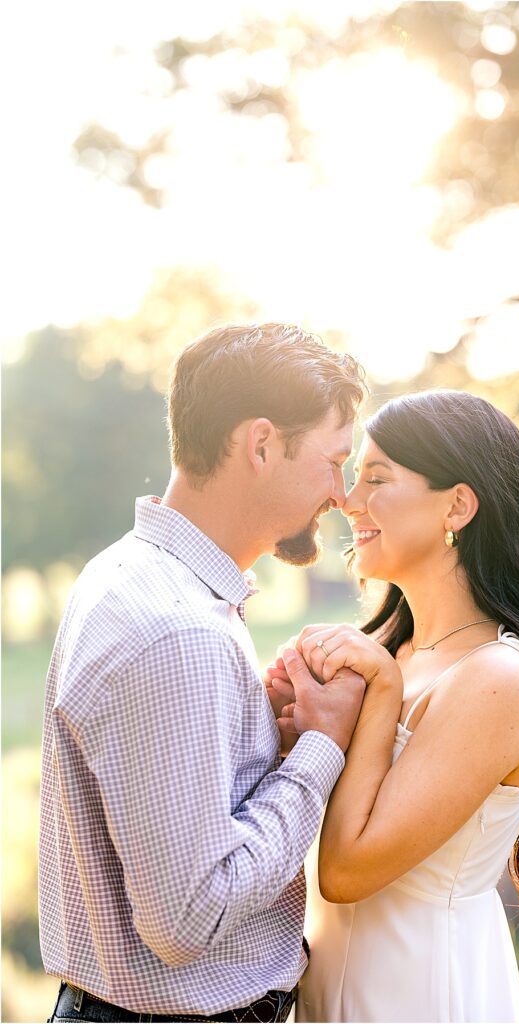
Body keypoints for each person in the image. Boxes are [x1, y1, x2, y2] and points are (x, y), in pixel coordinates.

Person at [39, 323, 369, 1024]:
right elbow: (188, 918)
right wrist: (321, 750)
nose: (339, 494)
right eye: (332, 460)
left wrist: (266, 748)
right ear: (260, 445)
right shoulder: (178, 629)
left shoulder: (133, 575)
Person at [266, 389, 519, 1024]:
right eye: (354, 476)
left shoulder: (497, 678)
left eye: (377, 478)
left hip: (423, 991)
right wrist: (287, 727)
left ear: (458, 506)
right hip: (330, 986)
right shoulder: (388, 649)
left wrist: (380, 693)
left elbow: (348, 870)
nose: (347, 501)